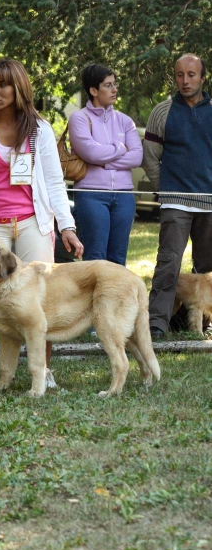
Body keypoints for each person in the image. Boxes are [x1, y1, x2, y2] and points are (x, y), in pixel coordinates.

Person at [0, 58, 83, 394]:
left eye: (3, 85)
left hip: (32, 225)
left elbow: (55, 183)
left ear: (19, 88)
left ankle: (44, 373)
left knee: (40, 303)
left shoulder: (39, 129)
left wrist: (66, 227)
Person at [142, 53, 212, 339]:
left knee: (208, 267)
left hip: (210, 201)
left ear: (203, 77)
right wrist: (164, 189)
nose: (185, 80)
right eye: (180, 75)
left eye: (192, 74)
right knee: (168, 262)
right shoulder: (163, 111)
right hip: (175, 201)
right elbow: (149, 157)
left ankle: (200, 322)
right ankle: (156, 323)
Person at [68, 63, 143, 266]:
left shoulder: (125, 121)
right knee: (95, 259)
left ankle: (117, 299)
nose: (114, 89)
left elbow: (137, 157)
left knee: (118, 260)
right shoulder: (79, 118)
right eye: (108, 85)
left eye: (114, 84)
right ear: (93, 90)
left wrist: (105, 163)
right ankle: (94, 299)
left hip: (125, 196)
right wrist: (120, 148)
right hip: (91, 195)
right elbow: (91, 152)